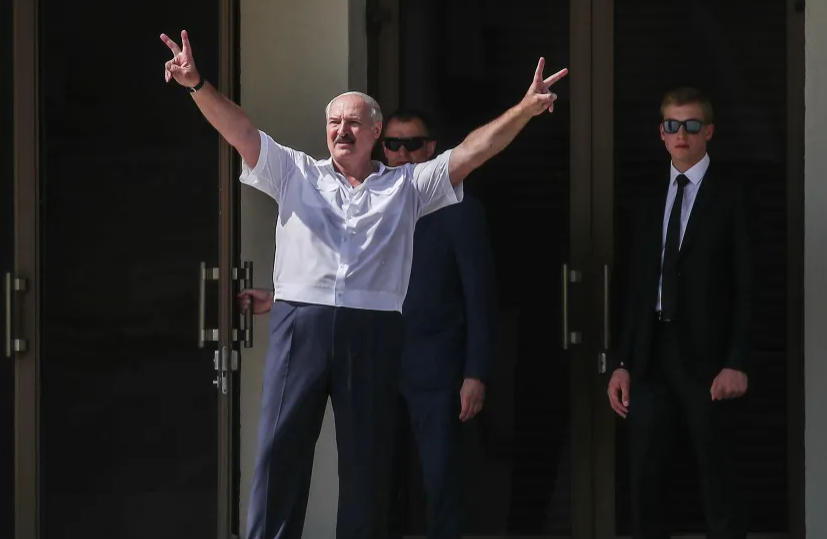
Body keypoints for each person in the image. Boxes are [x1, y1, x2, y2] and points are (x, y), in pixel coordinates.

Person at [160, 29, 567, 539]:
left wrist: (525, 110)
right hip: (300, 323)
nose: (342, 131)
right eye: (334, 122)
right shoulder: (295, 172)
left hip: (372, 329)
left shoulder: (408, 185)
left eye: (354, 122)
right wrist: (197, 85)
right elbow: (239, 129)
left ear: (376, 132)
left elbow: (472, 151)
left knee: (366, 464)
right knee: (280, 452)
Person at [607, 87, 753, 539]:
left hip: (709, 360)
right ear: (662, 133)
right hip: (651, 354)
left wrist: (737, 361)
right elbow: (635, 288)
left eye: (691, 125)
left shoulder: (733, 196)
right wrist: (622, 361)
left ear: (709, 131)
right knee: (645, 483)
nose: (681, 135)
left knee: (718, 482)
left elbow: (749, 286)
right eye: (673, 125)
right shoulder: (647, 197)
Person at [380, 109, 496, 539]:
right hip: (377, 366)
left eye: (412, 144)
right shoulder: (367, 202)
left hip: (439, 371)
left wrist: (476, 373)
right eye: (393, 144)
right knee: (376, 482)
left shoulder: (459, 208)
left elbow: (480, 296)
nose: (402, 153)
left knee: (442, 483)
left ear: (430, 148)